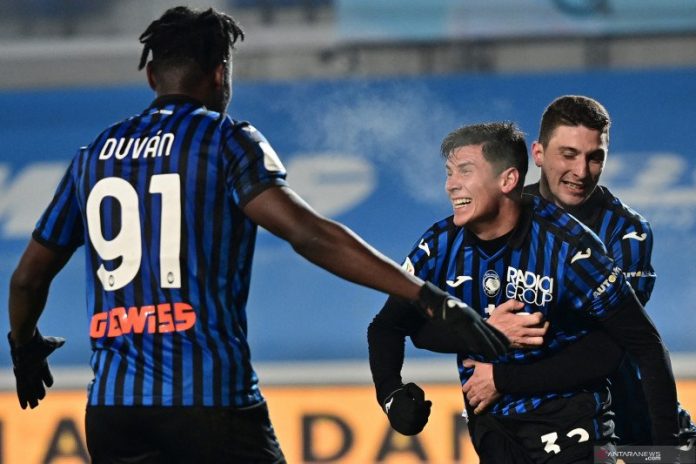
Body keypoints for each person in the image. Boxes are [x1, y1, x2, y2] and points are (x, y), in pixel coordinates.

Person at [6, 6, 509, 463]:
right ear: (221, 74)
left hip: (114, 413)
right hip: (209, 404)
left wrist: (25, 345)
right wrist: (426, 296)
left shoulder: (92, 156)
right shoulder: (224, 139)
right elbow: (309, 235)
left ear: (153, 74)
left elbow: (28, 279)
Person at [367, 122, 680, 463]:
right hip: (493, 427)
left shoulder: (570, 249)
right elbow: (389, 326)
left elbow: (641, 345)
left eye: (466, 171)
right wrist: (391, 394)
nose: (451, 184)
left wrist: (667, 453)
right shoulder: (439, 245)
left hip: (569, 422)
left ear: (508, 180)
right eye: (450, 173)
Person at [436, 95, 695, 448]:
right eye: (568, 154)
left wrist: (502, 377)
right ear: (538, 154)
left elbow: (610, 351)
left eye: (595, 157)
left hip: (626, 430)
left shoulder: (627, 232)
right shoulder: (495, 219)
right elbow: (433, 324)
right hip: (526, 431)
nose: (581, 171)